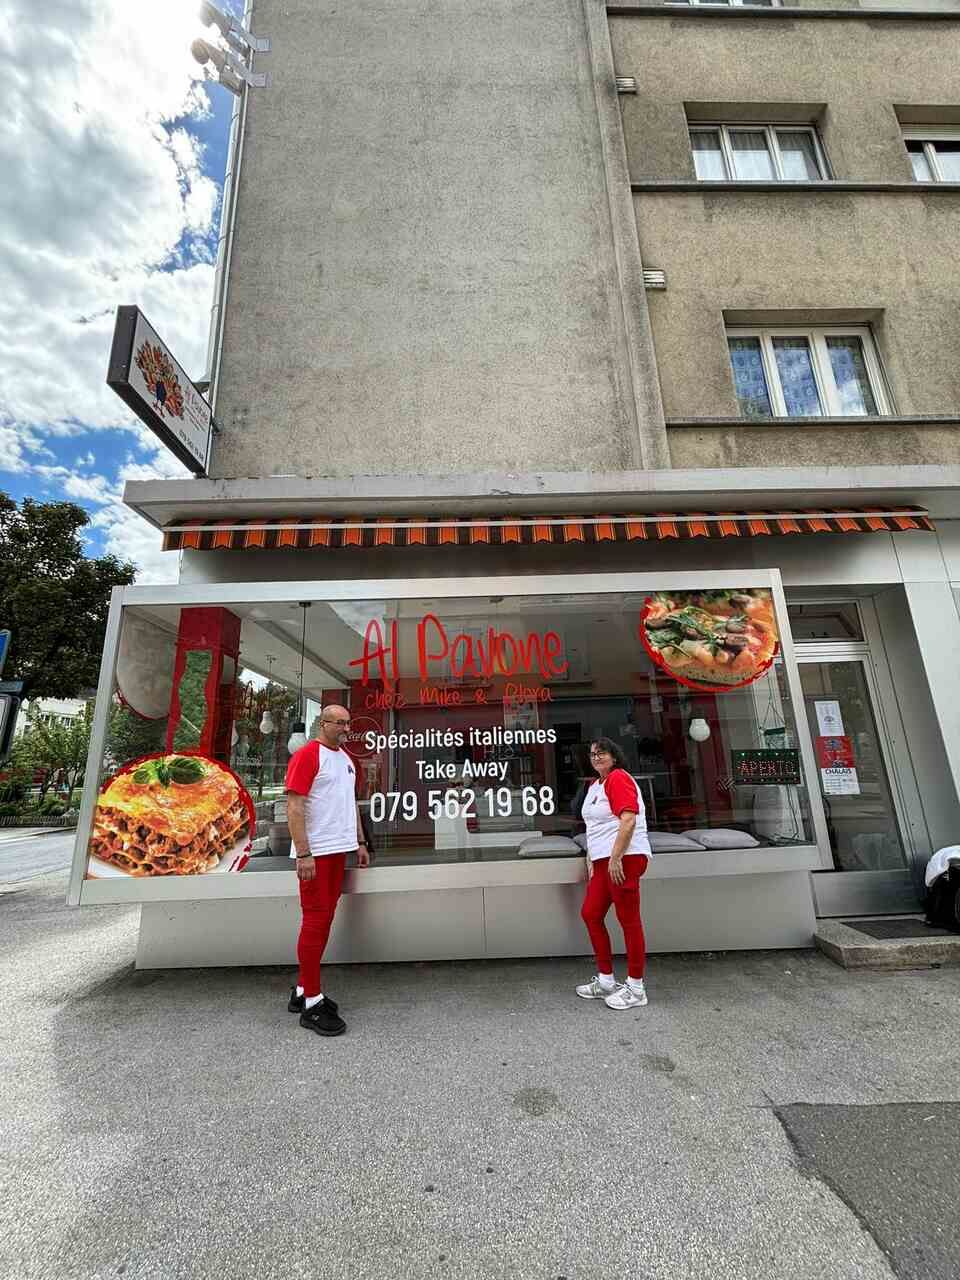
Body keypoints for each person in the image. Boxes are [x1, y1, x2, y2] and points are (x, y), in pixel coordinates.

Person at [285, 705, 370, 1036]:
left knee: (324, 920)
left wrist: (360, 842)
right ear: (323, 724)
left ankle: (304, 990)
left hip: (339, 851)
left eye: (349, 722)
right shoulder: (308, 755)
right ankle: (312, 1005)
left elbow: (351, 806)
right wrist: (303, 852)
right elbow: (294, 806)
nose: (345, 728)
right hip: (316, 854)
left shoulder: (347, 760)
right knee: (316, 921)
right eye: (339, 722)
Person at [576, 737, 651, 1010]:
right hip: (602, 861)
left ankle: (636, 988)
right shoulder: (595, 785)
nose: (596, 757)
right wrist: (591, 858)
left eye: (602, 752)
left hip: (624, 858)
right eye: (592, 753)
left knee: (628, 920)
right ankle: (607, 980)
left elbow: (628, 818)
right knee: (591, 913)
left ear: (615, 756)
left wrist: (617, 856)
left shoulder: (619, 778)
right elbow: (594, 827)